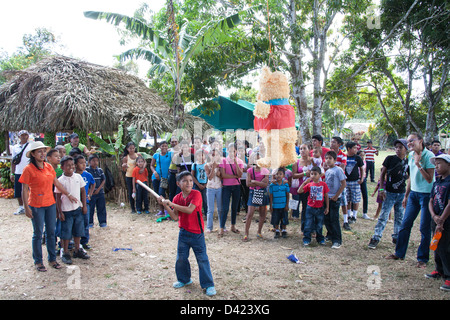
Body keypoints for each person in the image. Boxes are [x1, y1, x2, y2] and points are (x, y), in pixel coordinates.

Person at [19, 141, 77, 272]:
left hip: (50, 203)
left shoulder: (48, 167)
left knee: (51, 233)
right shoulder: (28, 169)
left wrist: (68, 194)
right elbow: (24, 189)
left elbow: (56, 183)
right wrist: (26, 207)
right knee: (38, 234)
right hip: (36, 205)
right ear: (33, 154)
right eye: (39, 151)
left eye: (44, 151)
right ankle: (38, 261)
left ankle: (52, 259)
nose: (42, 154)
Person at [157, 171, 216, 296]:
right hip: (183, 233)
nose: (189, 183)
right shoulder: (177, 198)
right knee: (181, 258)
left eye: (190, 180)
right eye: (185, 181)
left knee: (202, 259)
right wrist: (165, 205)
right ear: (178, 183)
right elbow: (174, 216)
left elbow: (189, 210)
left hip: (197, 233)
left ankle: (208, 284)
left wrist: (171, 204)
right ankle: (184, 279)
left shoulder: (196, 194)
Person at [386, 133, 435, 268]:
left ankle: (422, 259)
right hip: (414, 194)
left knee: (424, 228)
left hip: (427, 195)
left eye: (412, 140)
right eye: (408, 142)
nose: (409, 143)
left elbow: (430, 179)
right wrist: (407, 195)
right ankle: (399, 253)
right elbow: (411, 178)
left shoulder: (429, 156)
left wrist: (419, 164)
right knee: (405, 224)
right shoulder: (411, 156)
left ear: (420, 140)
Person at [368, 139, 409, 249]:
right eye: (396, 147)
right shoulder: (390, 159)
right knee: (383, 216)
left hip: (401, 193)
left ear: (406, 149)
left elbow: (409, 177)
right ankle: (376, 237)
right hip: (389, 193)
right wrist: (381, 189)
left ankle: (397, 236)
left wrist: (407, 194)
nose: (398, 149)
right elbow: (382, 175)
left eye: (401, 147)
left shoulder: (408, 162)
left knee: (399, 217)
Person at [55, 156, 90, 265]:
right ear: (62, 167)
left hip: (77, 209)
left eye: (72, 165)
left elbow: (83, 192)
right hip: (66, 211)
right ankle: (65, 252)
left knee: (78, 231)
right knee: (66, 233)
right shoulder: (60, 180)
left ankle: (77, 250)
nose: (71, 167)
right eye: (68, 165)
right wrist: (59, 212)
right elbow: (57, 198)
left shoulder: (78, 177)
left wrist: (84, 206)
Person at [425, 154, 450, 292]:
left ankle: (449, 275)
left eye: (439, 163)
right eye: (436, 164)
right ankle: (439, 269)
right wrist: (434, 216)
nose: (436, 166)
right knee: (436, 245)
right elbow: (430, 200)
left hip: (446, 222)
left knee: (446, 247)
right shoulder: (437, 182)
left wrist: (442, 219)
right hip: (435, 220)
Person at [298, 166, 329, 246]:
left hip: (320, 208)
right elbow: (299, 191)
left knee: (319, 225)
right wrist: (305, 182)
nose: (313, 176)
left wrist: (327, 207)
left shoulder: (323, 184)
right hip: (310, 208)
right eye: (312, 174)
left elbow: (326, 196)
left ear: (319, 175)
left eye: (315, 174)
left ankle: (320, 239)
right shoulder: (309, 184)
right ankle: (307, 239)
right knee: (308, 224)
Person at [218, 143, 244, 237]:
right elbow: (223, 175)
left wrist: (236, 163)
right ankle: (221, 228)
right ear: (227, 151)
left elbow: (240, 174)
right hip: (226, 187)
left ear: (236, 151)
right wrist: (234, 176)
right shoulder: (223, 161)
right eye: (230, 151)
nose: (232, 153)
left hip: (236, 186)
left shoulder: (240, 161)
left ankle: (233, 226)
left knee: (234, 207)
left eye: (234, 151)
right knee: (225, 208)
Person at [243, 152, 270, 241]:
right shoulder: (250, 170)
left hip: (261, 192)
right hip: (253, 192)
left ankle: (259, 232)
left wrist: (254, 182)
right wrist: (259, 182)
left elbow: (265, 185)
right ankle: (246, 233)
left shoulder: (265, 170)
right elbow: (247, 183)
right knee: (250, 213)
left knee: (262, 213)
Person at [324, 151, 346, 249]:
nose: (328, 160)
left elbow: (343, 183)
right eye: (326, 158)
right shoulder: (328, 171)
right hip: (327, 198)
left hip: (334, 199)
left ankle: (337, 240)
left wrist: (337, 195)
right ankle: (330, 235)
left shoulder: (338, 170)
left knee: (334, 219)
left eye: (330, 158)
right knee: (326, 218)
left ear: (335, 160)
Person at [74, 155, 95, 250]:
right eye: (81, 163)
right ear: (75, 164)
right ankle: (74, 242)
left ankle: (84, 241)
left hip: (85, 203)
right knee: (76, 223)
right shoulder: (73, 175)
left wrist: (90, 194)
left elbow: (93, 184)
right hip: (75, 204)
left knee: (86, 222)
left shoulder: (87, 175)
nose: (83, 165)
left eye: (84, 163)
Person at [290, 144, 313, 228]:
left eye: (304, 148)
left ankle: (308, 226)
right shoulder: (297, 162)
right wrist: (304, 174)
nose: (302, 150)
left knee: (307, 207)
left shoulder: (313, 161)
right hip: (298, 187)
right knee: (297, 203)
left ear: (309, 149)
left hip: (310, 188)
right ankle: (295, 216)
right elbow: (294, 175)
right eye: (300, 149)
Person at [329, 136, 349, 230]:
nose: (332, 144)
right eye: (331, 142)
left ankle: (345, 221)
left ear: (339, 144)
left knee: (343, 201)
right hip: (331, 180)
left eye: (334, 142)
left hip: (340, 180)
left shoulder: (343, 155)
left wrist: (334, 167)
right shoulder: (330, 154)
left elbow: (342, 167)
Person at [11, 130, 32, 215]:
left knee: (30, 189)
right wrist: (12, 173)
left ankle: (30, 206)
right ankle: (21, 206)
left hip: (29, 171)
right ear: (19, 137)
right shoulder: (15, 147)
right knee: (18, 189)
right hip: (18, 171)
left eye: (25, 135)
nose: (24, 137)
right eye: (22, 135)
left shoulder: (30, 146)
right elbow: (13, 161)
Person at [344, 141, 364, 226]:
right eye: (354, 148)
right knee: (347, 199)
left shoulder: (358, 158)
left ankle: (354, 216)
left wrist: (361, 178)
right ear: (349, 149)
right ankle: (349, 214)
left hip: (355, 181)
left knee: (355, 199)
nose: (356, 149)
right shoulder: (344, 157)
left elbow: (362, 168)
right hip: (346, 181)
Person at [151, 141, 173, 216]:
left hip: (165, 178)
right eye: (162, 146)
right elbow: (151, 165)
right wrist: (154, 172)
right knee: (157, 195)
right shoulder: (156, 155)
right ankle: (161, 211)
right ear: (159, 147)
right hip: (156, 177)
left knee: (162, 193)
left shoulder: (170, 154)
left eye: (165, 146)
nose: (164, 147)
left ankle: (167, 210)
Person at [86, 154, 107, 228]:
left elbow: (103, 180)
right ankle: (90, 222)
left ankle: (102, 222)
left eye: (96, 161)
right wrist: (89, 191)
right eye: (93, 161)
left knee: (101, 207)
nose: (95, 162)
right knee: (91, 208)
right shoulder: (87, 170)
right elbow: (86, 182)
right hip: (90, 193)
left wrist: (98, 189)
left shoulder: (100, 170)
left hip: (100, 192)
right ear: (89, 162)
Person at [205, 148, 223, 233]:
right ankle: (209, 227)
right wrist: (213, 168)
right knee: (210, 209)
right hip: (210, 188)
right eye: (212, 155)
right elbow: (210, 177)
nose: (214, 156)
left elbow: (221, 176)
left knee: (220, 208)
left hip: (219, 187)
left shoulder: (221, 165)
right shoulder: (207, 165)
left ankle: (222, 226)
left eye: (216, 155)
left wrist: (218, 170)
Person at [269, 167, 290, 239]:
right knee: (276, 219)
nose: (278, 175)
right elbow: (271, 196)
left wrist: (287, 205)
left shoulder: (285, 184)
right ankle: (277, 230)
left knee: (284, 218)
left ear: (284, 175)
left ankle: (284, 230)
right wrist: (271, 206)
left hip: (283, 205)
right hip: (275, 206)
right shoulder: (272, 185)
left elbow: (287, 195)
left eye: (280, 174)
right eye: (277, 174)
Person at [122, 142, 140, 214]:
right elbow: (124, 170)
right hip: (129, 176)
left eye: (133, 148)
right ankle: (133, 208)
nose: (132, 150)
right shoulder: (125, 157)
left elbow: (143, 163)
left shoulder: (138, 155)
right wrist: (124, 166)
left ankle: (139, 207)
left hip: (138, 176)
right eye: (130, 148)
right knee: (131, 192)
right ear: (127, 149)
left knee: (139, 191)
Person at [192, 149, 208, 216]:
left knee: (205, 200)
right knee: (197, 200)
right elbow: (192, 176)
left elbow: (209, 175)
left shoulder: (207, 164)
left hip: (205, 185)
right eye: (198, 155)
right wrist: (198, 184)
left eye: (202, 155)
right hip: (197, 185)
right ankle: (197, 213)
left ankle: (206, 214)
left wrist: (206, 184)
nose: (200, 157)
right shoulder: (194, 165)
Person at [357, 150, 370, 220]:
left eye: (363, 155)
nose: (362, 157)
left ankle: (365, 212)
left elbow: (364, 171)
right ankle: (353, 211)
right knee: (355, 195)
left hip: (363, 179)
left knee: (365, 195)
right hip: (357, 179)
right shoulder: (356, 162)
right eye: (361, 155)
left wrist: (363, 178)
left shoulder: (365, 162)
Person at [168, 136, 180, 201]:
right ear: (170, 143)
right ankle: (171, 207)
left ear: (178, 142)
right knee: (172, 191)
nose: (174, 143)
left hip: (179, 174)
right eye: (172, 142)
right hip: (171, 173)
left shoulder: (181, 150)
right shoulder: (168, 151)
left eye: (175, 141)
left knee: (178, 192)